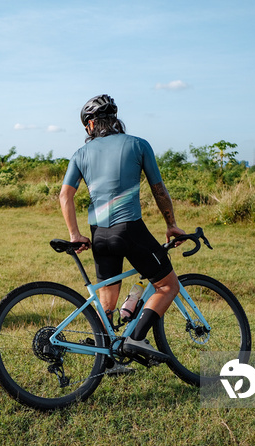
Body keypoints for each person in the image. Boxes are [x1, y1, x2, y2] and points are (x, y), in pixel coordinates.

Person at [59, 94, 186, 369]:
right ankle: (137, 338)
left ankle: (108, 361)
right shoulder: (138, 145)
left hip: (99, 236)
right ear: (114, 120)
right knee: (167, 285)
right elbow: (158, 190)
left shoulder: (80, 154)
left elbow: (64, 196)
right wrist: (171, 224)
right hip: (129, 229)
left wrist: (74, 234)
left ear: (91, 125)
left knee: (107, 303)